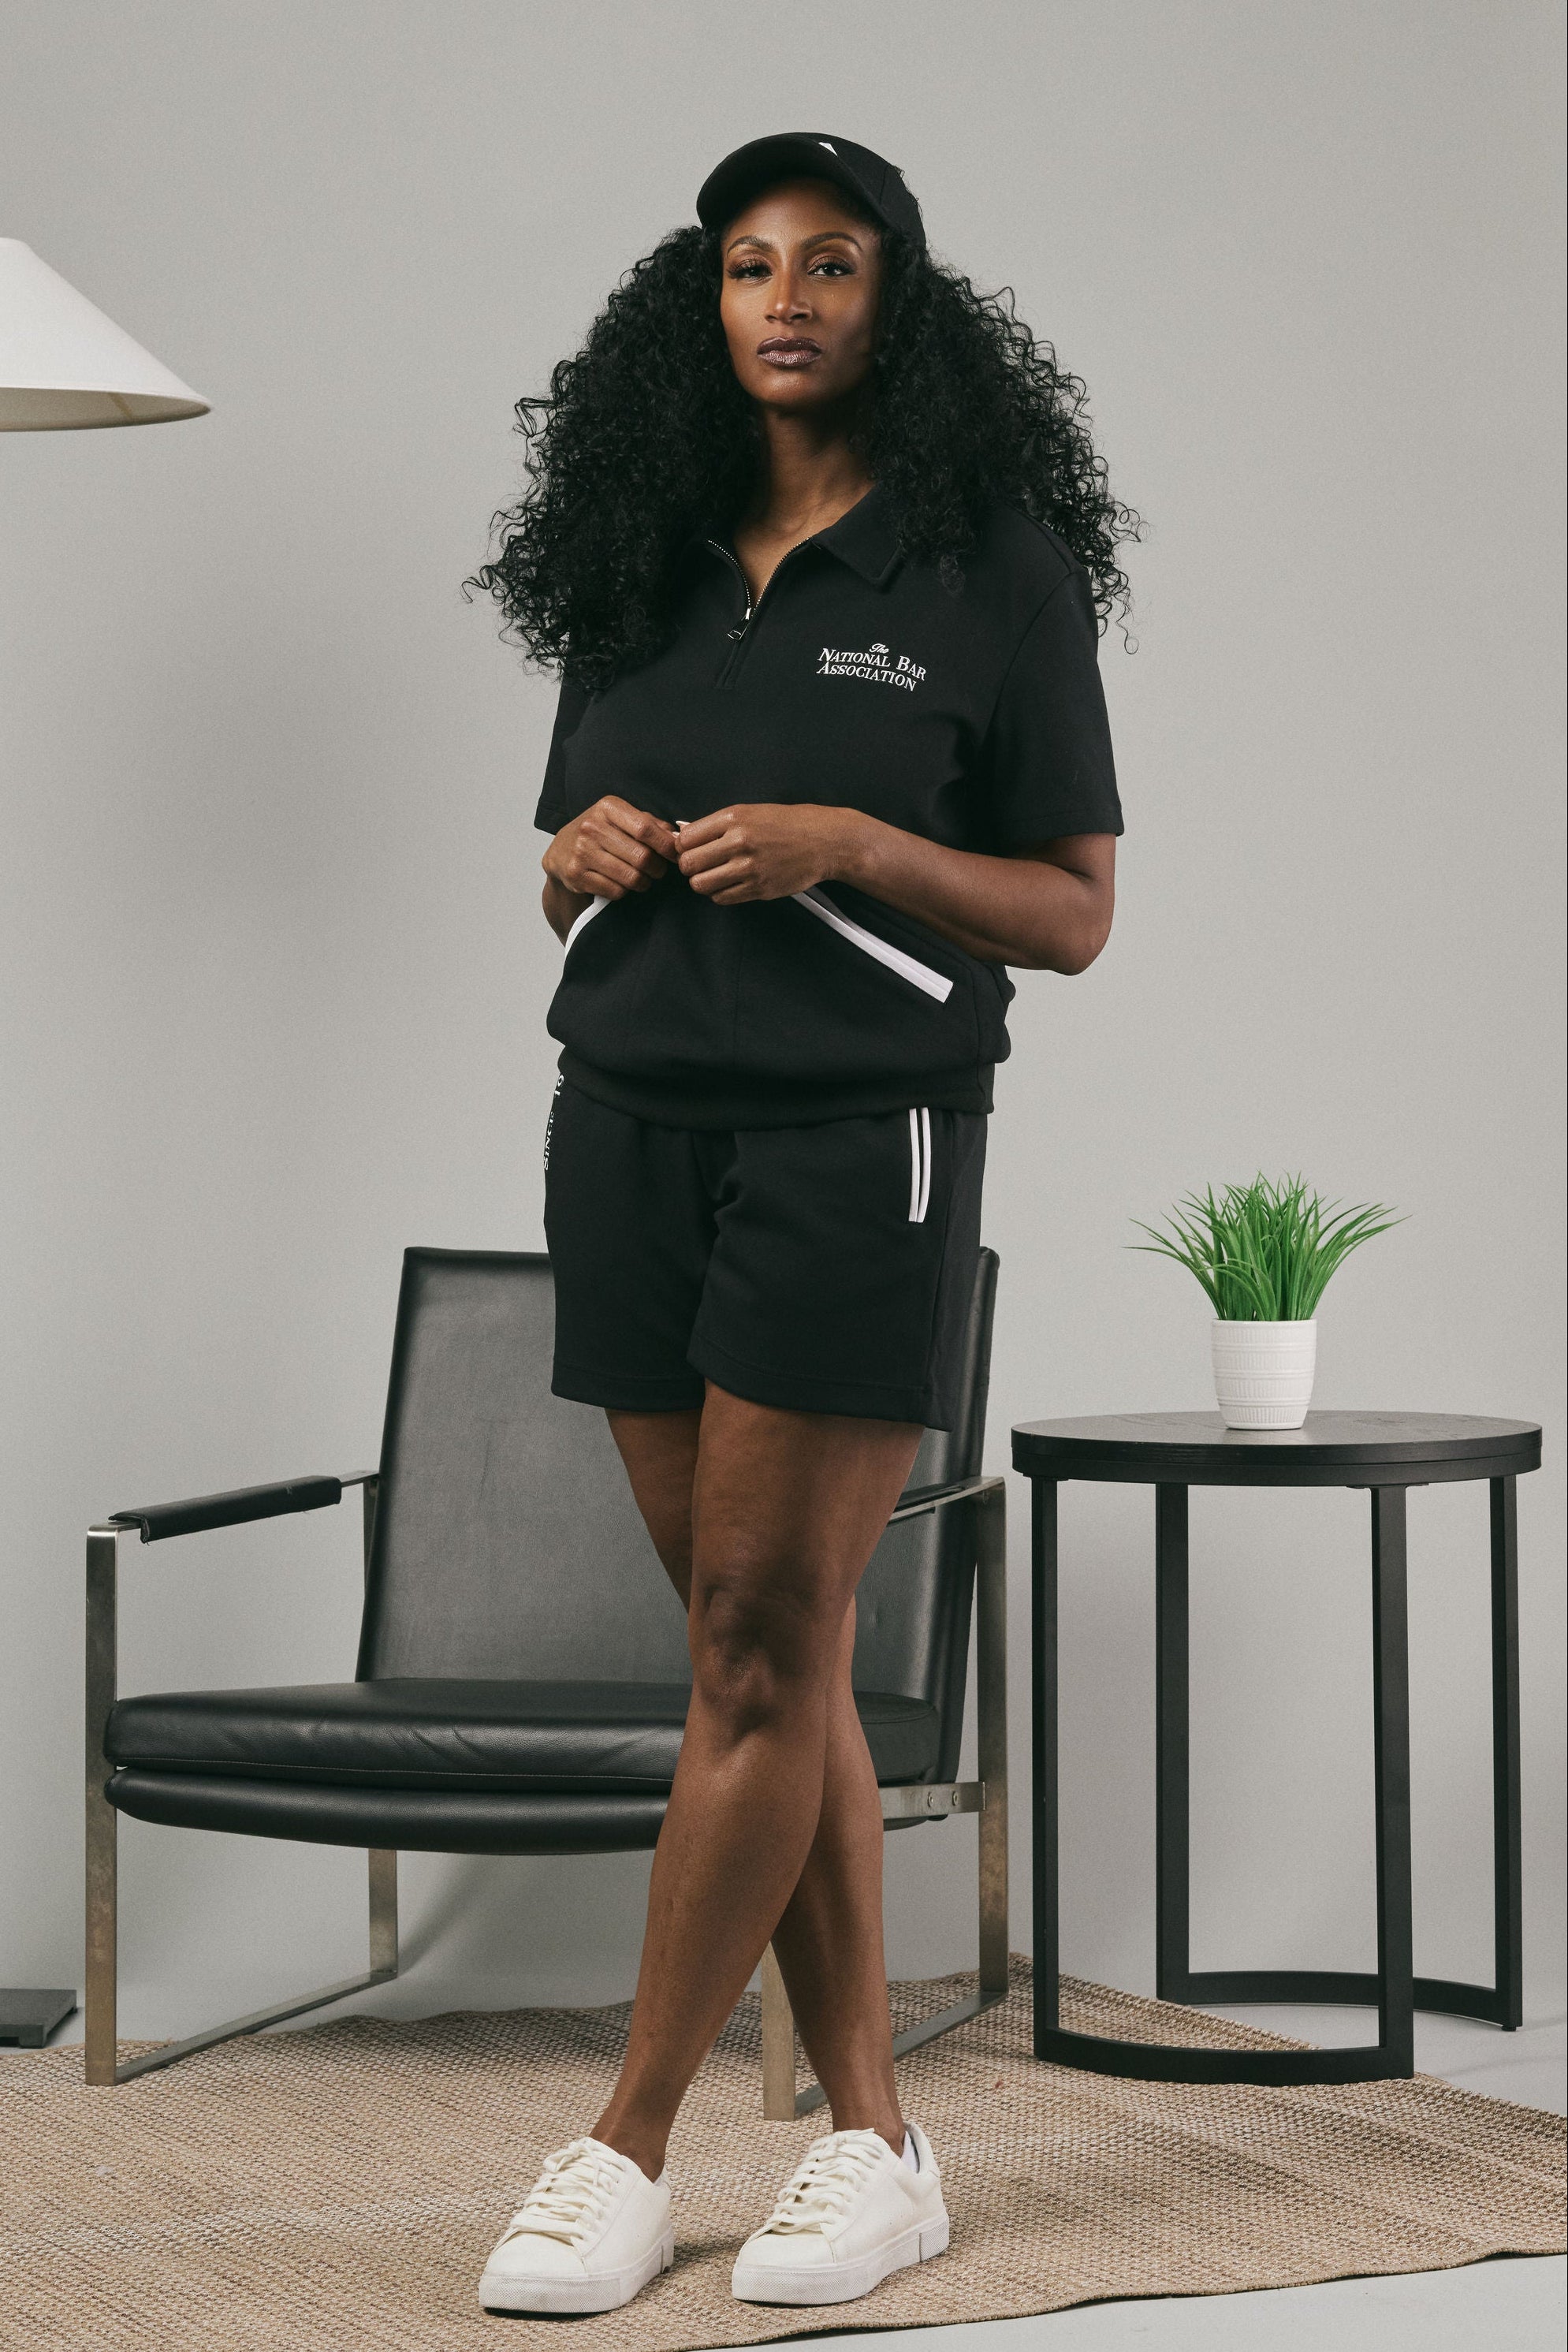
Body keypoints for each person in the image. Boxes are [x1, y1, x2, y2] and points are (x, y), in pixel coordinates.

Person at [466, 131, 1133, 2316]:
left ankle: (628, 2139)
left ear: (894, 298)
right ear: (708, 301)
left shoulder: (987, 561)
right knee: (772, 1653)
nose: (784, 299)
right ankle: (880, 2141)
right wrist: (575, 857)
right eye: (748, 265)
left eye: (828, 264)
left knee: (758, 1646)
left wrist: (854, 838)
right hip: (628, 1124)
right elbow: (569, 820)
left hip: (868, 1139)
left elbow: (1075, 909)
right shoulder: (639, 548)